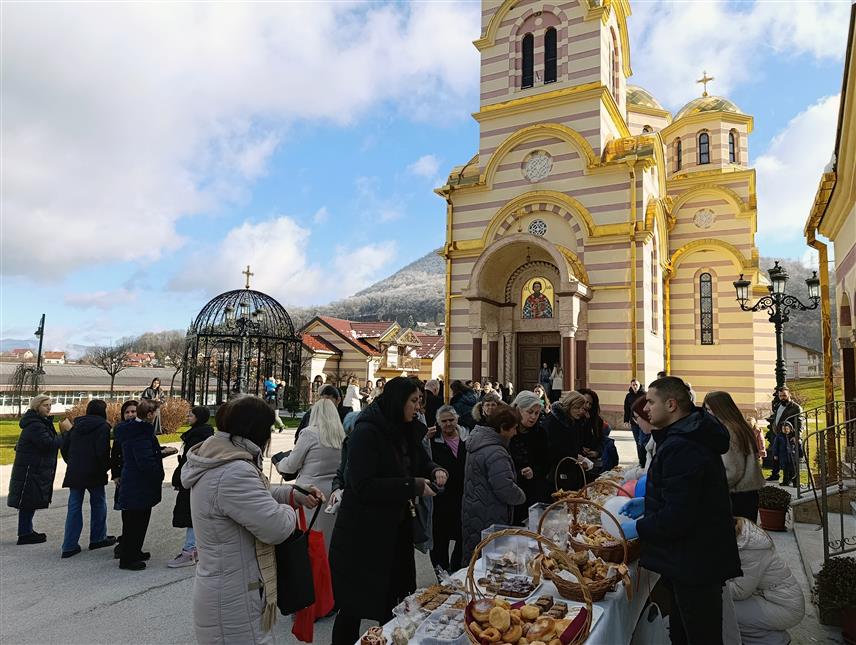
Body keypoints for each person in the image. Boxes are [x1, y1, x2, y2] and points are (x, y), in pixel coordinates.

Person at [181, 396, 323, 645]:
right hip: (233, 596)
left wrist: (293, 494)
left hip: (231, 588)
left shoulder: (223, 460)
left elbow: (257, 493)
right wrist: (288, 510)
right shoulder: (233, 472)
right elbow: (277, 527)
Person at [620, 376, 741, 645]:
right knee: (683, 633)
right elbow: (686, 495)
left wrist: (638, 527)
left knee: (699, 635)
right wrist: (650, 502)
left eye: (651, 402)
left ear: (672, 404)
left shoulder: (683, 445)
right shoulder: (684, 436)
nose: (646, 409)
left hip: (695, 561)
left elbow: (679, 517)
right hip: (689, 559)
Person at [329, 377, 448, 645]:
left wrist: (433, 470)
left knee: (392, 604)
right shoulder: (367, 432)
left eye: (420, 401)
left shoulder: (404, 428)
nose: (418, 408)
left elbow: (419, 459)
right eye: (414, 401)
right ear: (398, 401)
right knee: (353, 608)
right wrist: (412, 485)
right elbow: (361, 485)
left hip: (394, 532)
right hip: (362, 536)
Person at [461, 404, 527, 564]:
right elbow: (505, 488)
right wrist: (522, 496)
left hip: (474, 509)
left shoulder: (478, 442)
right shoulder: (496, 452)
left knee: (475, 556)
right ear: (503, 428)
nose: (515, 432)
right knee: (488, 561)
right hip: (490, 513)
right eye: (514, 428)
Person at [276, 398, 344, 551]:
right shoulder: (341, 435)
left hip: (309, 492)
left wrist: (279, 463)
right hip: (333, 492)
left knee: (309, 539)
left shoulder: (309, 433)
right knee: (328, 540)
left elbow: (291, 465)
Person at [727, 518, 805, 645]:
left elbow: (740, 591)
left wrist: (716, 585)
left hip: (785, 608)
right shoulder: (745, 538)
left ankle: (774, 641)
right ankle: (773, 638)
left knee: (728, 611)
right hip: (774, 600)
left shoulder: (748, 550)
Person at [114, 399, 170, 570]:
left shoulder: (133, 429)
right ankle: (128, 558)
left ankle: (134, 551)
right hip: (139, 482)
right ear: (150, 414)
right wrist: (157, 473)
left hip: (134, 480)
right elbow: (144, 460)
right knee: (136, 521)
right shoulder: (140, 432)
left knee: (137, 519)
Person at [60, 399, 115, 558]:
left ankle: (69, 545)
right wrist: (106, 467)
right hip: (94, 471)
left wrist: (72, 462)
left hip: (75, 470)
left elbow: (65, 447)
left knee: (74, 506)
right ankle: (97, 537)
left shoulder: (76, 425)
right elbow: (102, 451)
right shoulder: (103, 427)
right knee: (98, 503)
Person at [8, 395, 66, 545]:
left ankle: (27, 530)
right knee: (28, 501)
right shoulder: (36, 425)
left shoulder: (40, 423)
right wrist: (64, 434)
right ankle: (24, 533)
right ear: (37, 407)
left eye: (50, 405)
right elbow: (48, 444)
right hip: (31, 468)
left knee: (30, 500)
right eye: (45, 405)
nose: (49, 408)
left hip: (33, 467)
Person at [703, 391, 765, 521]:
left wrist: (711, 489)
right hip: (747, 492)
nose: (707, 414)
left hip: (735, 494)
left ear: (721, 409)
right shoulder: (740, 426)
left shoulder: (728, 431)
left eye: (709, 409)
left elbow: (733, 470)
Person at [168, 405, 214, 568]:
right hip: (197, 479)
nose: (187, 417)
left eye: (191, 415)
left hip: (192, 480)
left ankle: (190, 551)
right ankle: (196, 549)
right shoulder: (203, 434)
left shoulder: (197, 436)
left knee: (191, 515)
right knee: (194, 515)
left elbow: (190, 460)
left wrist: (179, 478)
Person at [429, 405, 467, 574]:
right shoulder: (433, 441)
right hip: (441, 498)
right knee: (440, 539)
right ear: (438, 423)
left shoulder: (468, 438)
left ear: (457, 419)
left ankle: (457, 570)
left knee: (462, 536)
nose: (448, 424)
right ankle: (442, 574)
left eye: (451, 420)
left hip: (463, 495)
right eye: (444, 421)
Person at [509, 391, 550, 525]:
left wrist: (534, 471)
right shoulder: (508, 430)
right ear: (518, 409)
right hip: (511, 490)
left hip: (534, 492)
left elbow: (546, 462)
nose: (533, 417)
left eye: (537, 413)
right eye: (529, 412)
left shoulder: (541, 433)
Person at [544, 390, 588, 493]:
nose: (580, 411)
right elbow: (553, 448)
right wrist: (575, 456)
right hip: (557, 472)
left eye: (582, 408)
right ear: (568, 406)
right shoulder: (554, 422)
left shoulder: (574, 420)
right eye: (577, 408)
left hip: (571, 470)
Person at [111, 400, 138, 558]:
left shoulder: (141, 430)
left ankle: (131, 540)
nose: (130, 415)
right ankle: (125, 538)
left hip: (135, 475)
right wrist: (115, 474)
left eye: (133, 411)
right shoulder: (120, 431)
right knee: (125, 510)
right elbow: (115, 454)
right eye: (127, 412)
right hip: (123, 475)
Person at [624, 379, 648, 467]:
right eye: (633, 385)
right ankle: (641, 461)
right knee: (637, 442)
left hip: (643, 423)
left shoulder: (644, 394)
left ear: (639, 385)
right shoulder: (628, 396)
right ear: (631, 385)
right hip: (634, 423)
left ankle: (645, 461)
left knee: (642, 442)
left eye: (636, 385)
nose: (635, 386)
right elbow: (626, 409)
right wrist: (626, 420)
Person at [771, 422, 800, 487]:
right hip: (783, 456)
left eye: (787, 429)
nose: (785, 430)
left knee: (793, 470)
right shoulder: (779, 436)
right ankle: (786, 481)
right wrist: (775, 454)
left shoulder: (793, 436)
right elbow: (775, 446)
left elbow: (798, 446)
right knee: (785, 470)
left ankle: (796, 483)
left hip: (792, 456)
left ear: (790, 429)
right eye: (783, 429)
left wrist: (797, 441)